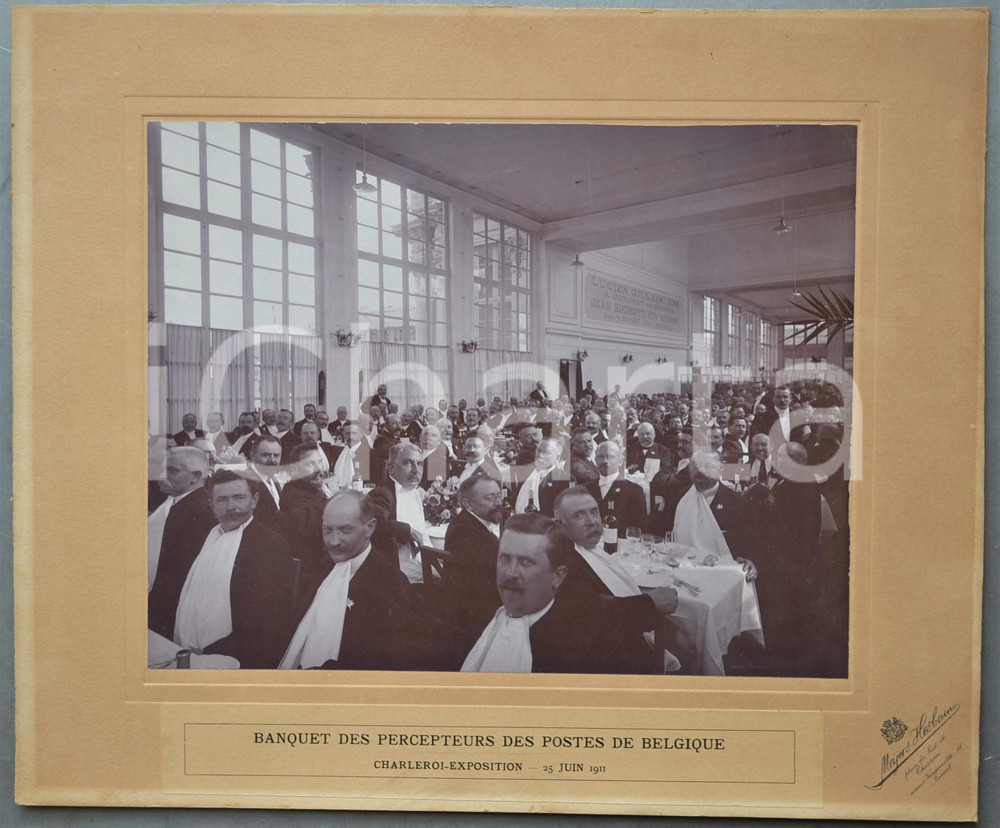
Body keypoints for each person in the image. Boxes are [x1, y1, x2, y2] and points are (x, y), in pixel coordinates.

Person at [461, 513, 633, 674]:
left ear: (557, 576)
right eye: (505, 558)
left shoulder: (571, 654)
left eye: (526, 562)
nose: (510, 573)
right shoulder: (479, 623)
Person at [279, 491, 420, 670]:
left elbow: (379, 662)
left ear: (370, 527)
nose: (333, 541)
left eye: (346, 530)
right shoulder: (326, 565)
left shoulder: (391, 584)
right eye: (327, 530)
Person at [172, 471, 295, 669]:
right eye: (222, 500)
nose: (231, 507)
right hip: (194, 650)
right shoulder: (205, 538)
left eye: (239, 498)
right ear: (211, 504)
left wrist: (206, 653)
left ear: (254, 500)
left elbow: (266, 624)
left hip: (242, 658)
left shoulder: (269, 545)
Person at [553, 487, 677, 673]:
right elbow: (591, 615)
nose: (592, 522)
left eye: (594, 512)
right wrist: (650, 602)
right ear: (560, 525)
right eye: (579, 516)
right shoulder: (564, 561)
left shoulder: (584, 548)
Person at [147, 447, 217, 640]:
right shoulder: (176, 500)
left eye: (172, 470)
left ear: (195, 476)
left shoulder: (202, 509)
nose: (162, 475)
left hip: (176, 604)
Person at [673, 450, 757, 581]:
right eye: (695, 466)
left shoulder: (737, 503)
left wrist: (749, 560)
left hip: (720, 574)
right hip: (681, 572)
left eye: (708, 466)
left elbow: (748, 544)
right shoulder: (679, 497)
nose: (700, 471)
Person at [442, 474, 505, 640]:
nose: (499, 502)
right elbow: (494, 570)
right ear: (468, 504)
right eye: (490, 498)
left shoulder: (476, 521)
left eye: (499, 495)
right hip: (478, 614)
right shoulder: (464, 531)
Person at [366, 442, 428, 579]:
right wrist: (408, 530)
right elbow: (373, 523)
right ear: (391, 469)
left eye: (420, 464)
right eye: (408, 463)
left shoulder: (415, 492)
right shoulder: (382, 493)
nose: (416, 470)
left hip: (419, 565)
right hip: (398, 574)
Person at [279, 443, 334, 577]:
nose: (318, 469)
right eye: (310, 464)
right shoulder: (292, 492)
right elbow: (304, 524)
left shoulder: (312, 488)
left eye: (320, 462)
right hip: (316, 568)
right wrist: (333, 502)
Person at [585, 441, 646, 538]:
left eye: (610, 457)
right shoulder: (585, 489)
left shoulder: (633, 491)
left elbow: (638, 528)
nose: (605, 460)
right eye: (601, 457)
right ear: (595, 460)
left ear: (620, 461)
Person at [647, 434, 694, 537]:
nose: (680, 445)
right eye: (679, 441)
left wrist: (662, 471)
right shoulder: (682, 463)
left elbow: (661, 484)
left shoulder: (693, 467)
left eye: (685, 442)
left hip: (683, 518)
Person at [513, 437, 571, 517]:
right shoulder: (527, 474)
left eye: (546, 453)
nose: (540, 455)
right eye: (539, 451)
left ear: (557, 458)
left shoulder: (563, 479)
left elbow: (562, 512)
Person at [246, 434, 283, 532]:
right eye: (266, 455)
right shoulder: (245, 482)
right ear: (252, 456)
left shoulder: (273, 479)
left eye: (276, 455)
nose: (272, 460)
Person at [330, 421, 374, 489]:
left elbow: (372, 482)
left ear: (361, 434)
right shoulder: (338, 452)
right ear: (343, 434)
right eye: (347, 433)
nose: (350, 437)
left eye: (354, 433)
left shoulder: (370, 454)